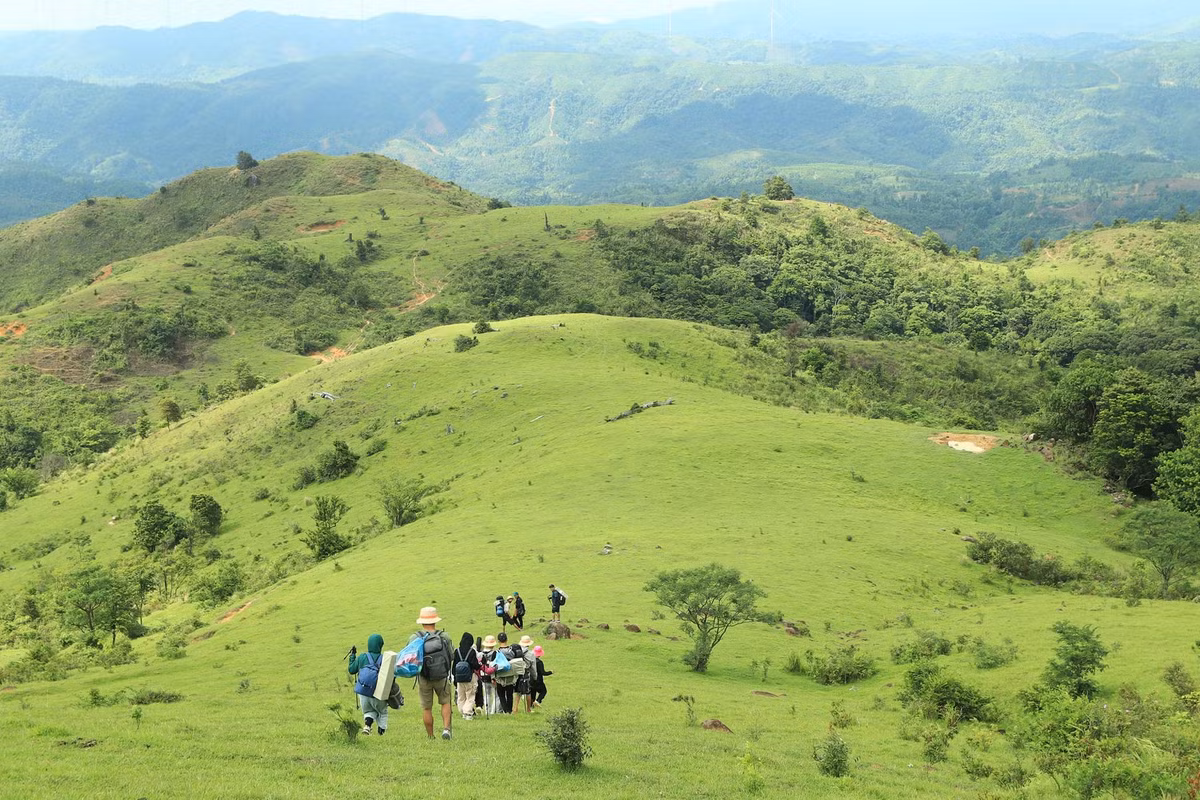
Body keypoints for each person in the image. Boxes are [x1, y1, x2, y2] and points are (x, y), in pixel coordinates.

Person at [410, 606, 454, 740]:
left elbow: (410, 658)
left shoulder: (415, 638)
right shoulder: (444, 636)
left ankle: (431, 736)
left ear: (422, 621)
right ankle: (446, 729)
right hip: (442, 676)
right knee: (445, 702)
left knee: (427, 708)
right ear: (435, 620)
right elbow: (451, 656)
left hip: (424, 677)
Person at [347, 632, 391, 735]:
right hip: (378, 692)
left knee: (368, 712)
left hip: (363, 692)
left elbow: (351, 669)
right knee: (382, 712)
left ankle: (367, 726)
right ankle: (381, 733)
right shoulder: (385, 658)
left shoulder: (362, 657)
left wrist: (352, 656)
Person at [452, 632, 481, 720]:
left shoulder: (457, 651)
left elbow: (454, 666)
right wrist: (480, 665)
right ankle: (467, 712)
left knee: (461, 696)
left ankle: (462, 711)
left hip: (459, 678)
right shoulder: (471, 651)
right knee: (470, 695)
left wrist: (455, 677)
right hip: (469, 677)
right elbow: (475, 665)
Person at [477, 634, 500, 716]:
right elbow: (495, 666)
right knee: (495, 695)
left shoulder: (480, 654)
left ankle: (487, 711)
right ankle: (493, 711)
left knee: (486, 695)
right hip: (492, 677)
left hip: (483, 677)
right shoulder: (495, 653)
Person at [516, 635, 537, 712]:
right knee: (528, 691)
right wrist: (535, 677)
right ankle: (528, 709)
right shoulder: (531, 654)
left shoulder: (516, 652)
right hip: (526, 673)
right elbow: (533, 668)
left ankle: (515, 708)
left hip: (517, 673)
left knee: (518, 691)